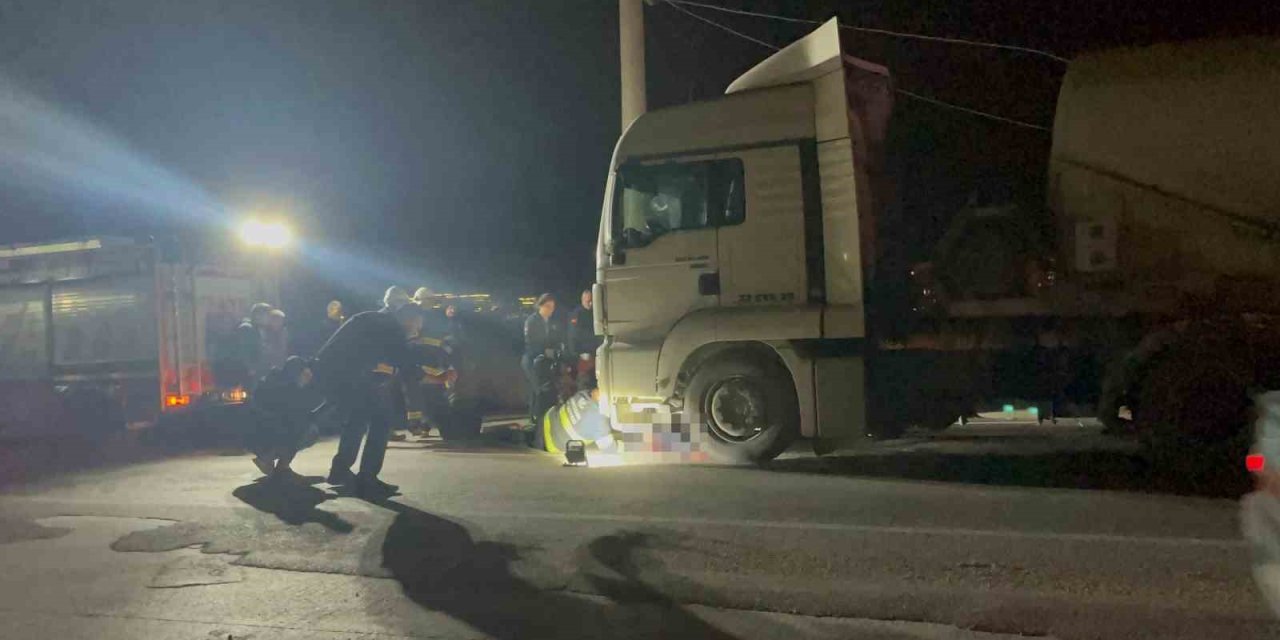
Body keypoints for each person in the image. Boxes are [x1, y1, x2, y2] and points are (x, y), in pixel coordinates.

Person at [312, 288, 424, 498]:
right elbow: (403, 361)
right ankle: (367, 478)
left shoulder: (376, 319)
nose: (419, 327)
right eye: (418, 322)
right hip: (347, 375)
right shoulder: (390, 326)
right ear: (408, 318)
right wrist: (424, 374)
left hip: (337, 372)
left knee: (358, 418)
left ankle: (340, 472)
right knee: (381, 418)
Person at [248, 356, 317, 480]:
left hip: (250, 435)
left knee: (295, 425)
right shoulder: (289, 389)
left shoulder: (271, 380)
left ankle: (271, 459)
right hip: (265, 435)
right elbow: (296, 418)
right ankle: (272, 461)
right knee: (308, 430)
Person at [522, 293, 563, 426]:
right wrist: (543, 350)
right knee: (537, 389)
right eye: (548, 306)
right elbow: (530, 343)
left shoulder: (552, 322)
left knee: (548, 390)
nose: (550, 310)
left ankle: (544, 418)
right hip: (532, 360)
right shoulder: (532, 321)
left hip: (546, 360)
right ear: (540, 306)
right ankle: (534, 419)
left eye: (553, 307)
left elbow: (555, 339)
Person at [229, 302, 273, 388]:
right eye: (267, 315)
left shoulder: (262, 329)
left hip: (261, 372)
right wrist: (251, 368)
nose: (270, 319)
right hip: (251, 375)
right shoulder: (247, 329)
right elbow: (243, 351)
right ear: (258, 316)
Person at [567, 289, 600, 392]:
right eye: (588, 301)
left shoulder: (596, 312)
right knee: (584, 384)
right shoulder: (577, 314)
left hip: (596, 353)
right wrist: (578, 353)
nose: (590, 303)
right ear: (582, 300)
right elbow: (573, 336)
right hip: (584, 356)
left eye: (591, 301)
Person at [260, 308, 290, 372]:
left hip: (282, 363)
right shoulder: (264, 332)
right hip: (268, 365)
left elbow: (285, 347)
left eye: (281, 320)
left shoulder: (284, 332)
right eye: (276, 320)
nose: (278, 323)